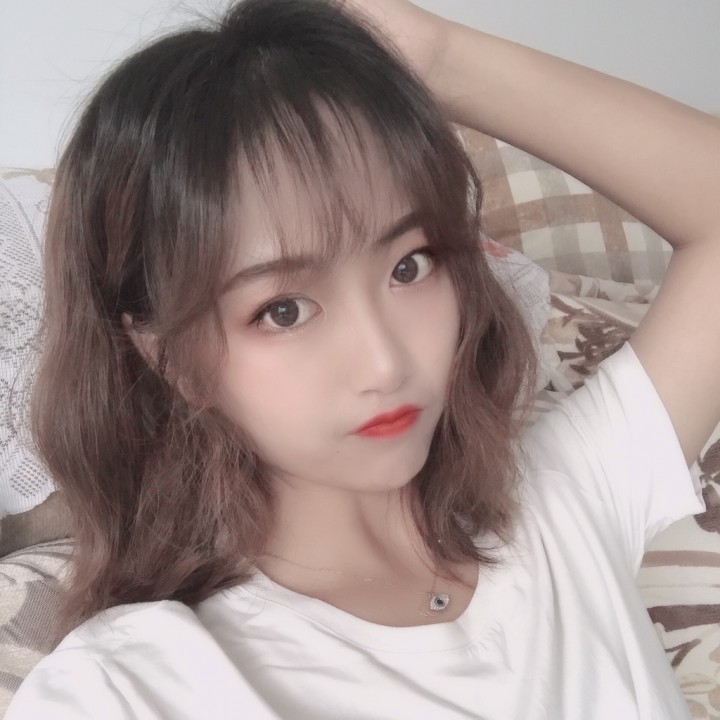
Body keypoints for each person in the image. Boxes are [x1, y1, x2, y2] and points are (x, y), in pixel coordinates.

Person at [5, 0, 720, 717]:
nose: (385, 363)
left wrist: (434, 55)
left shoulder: (565, 507)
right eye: (283, 310)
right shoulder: (130, 687)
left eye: (410, 266)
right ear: (172, 358)